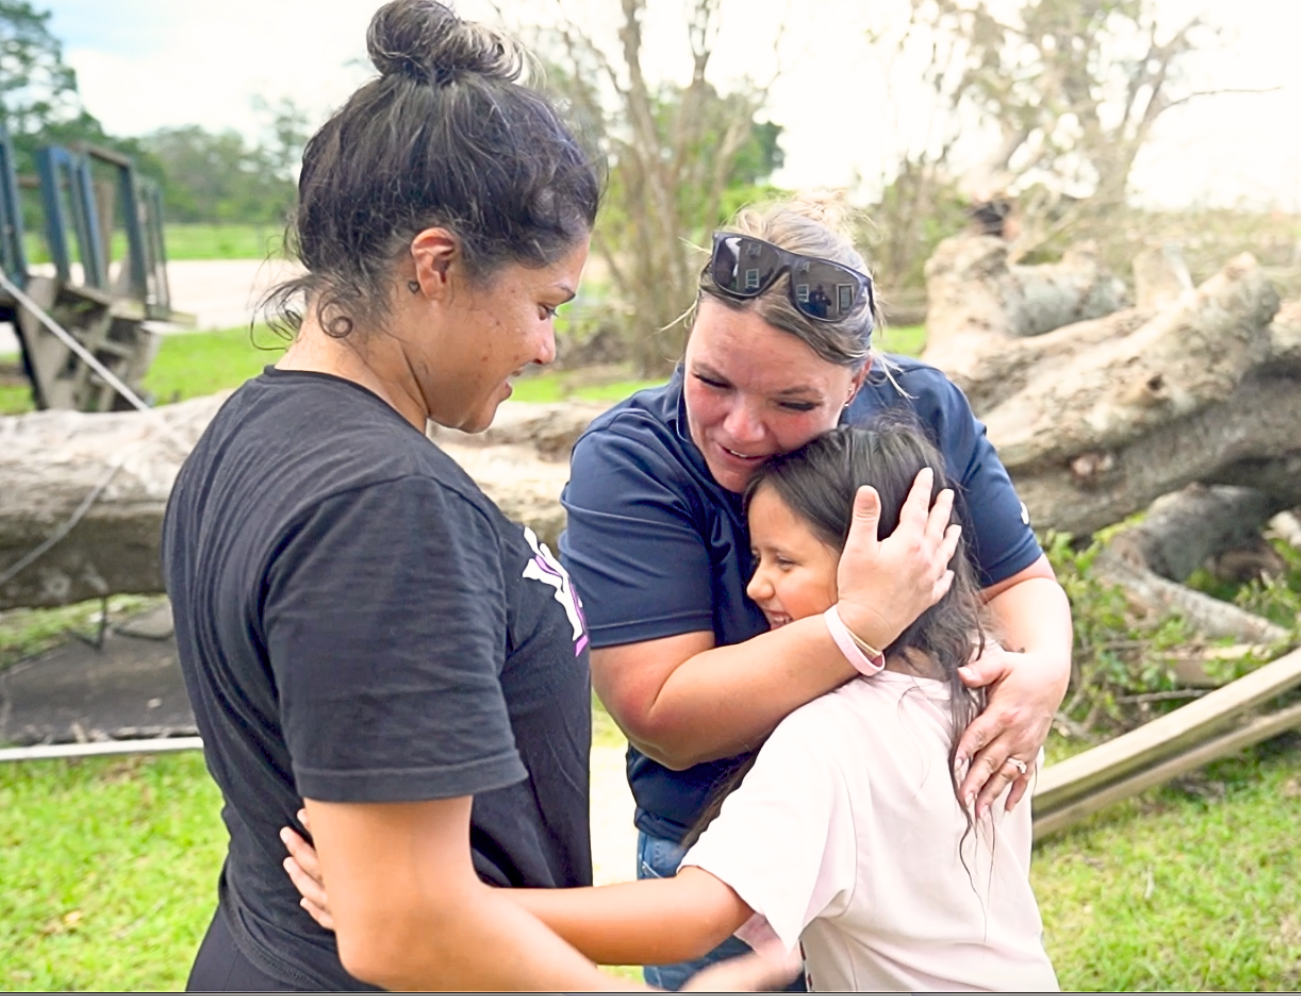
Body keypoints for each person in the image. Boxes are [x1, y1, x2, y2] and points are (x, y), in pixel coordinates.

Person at [161, 1, 789, 991]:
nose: (546, 346)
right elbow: (405, 929)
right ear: (437, 265)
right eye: (543, 306)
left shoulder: (253, 429)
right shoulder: (381, 506)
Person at [282, 423, 1060, 991]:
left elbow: (691, 917)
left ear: (891, 558)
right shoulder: (984, 693)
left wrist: (448, 912)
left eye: (783, 562)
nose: (755, 589)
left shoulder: (831, 736)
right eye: (756, 558)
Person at [558, 198, 1074, 988]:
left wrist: (1046, 670)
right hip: (718, 835)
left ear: (858, 381)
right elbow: (661, 715)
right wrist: (856, 626)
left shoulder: (922, 409)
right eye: (711, 381)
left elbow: (1019, 582)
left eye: (791, 403)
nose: (740, 428)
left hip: (894, 834)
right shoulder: (632, 463)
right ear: (686, 337)